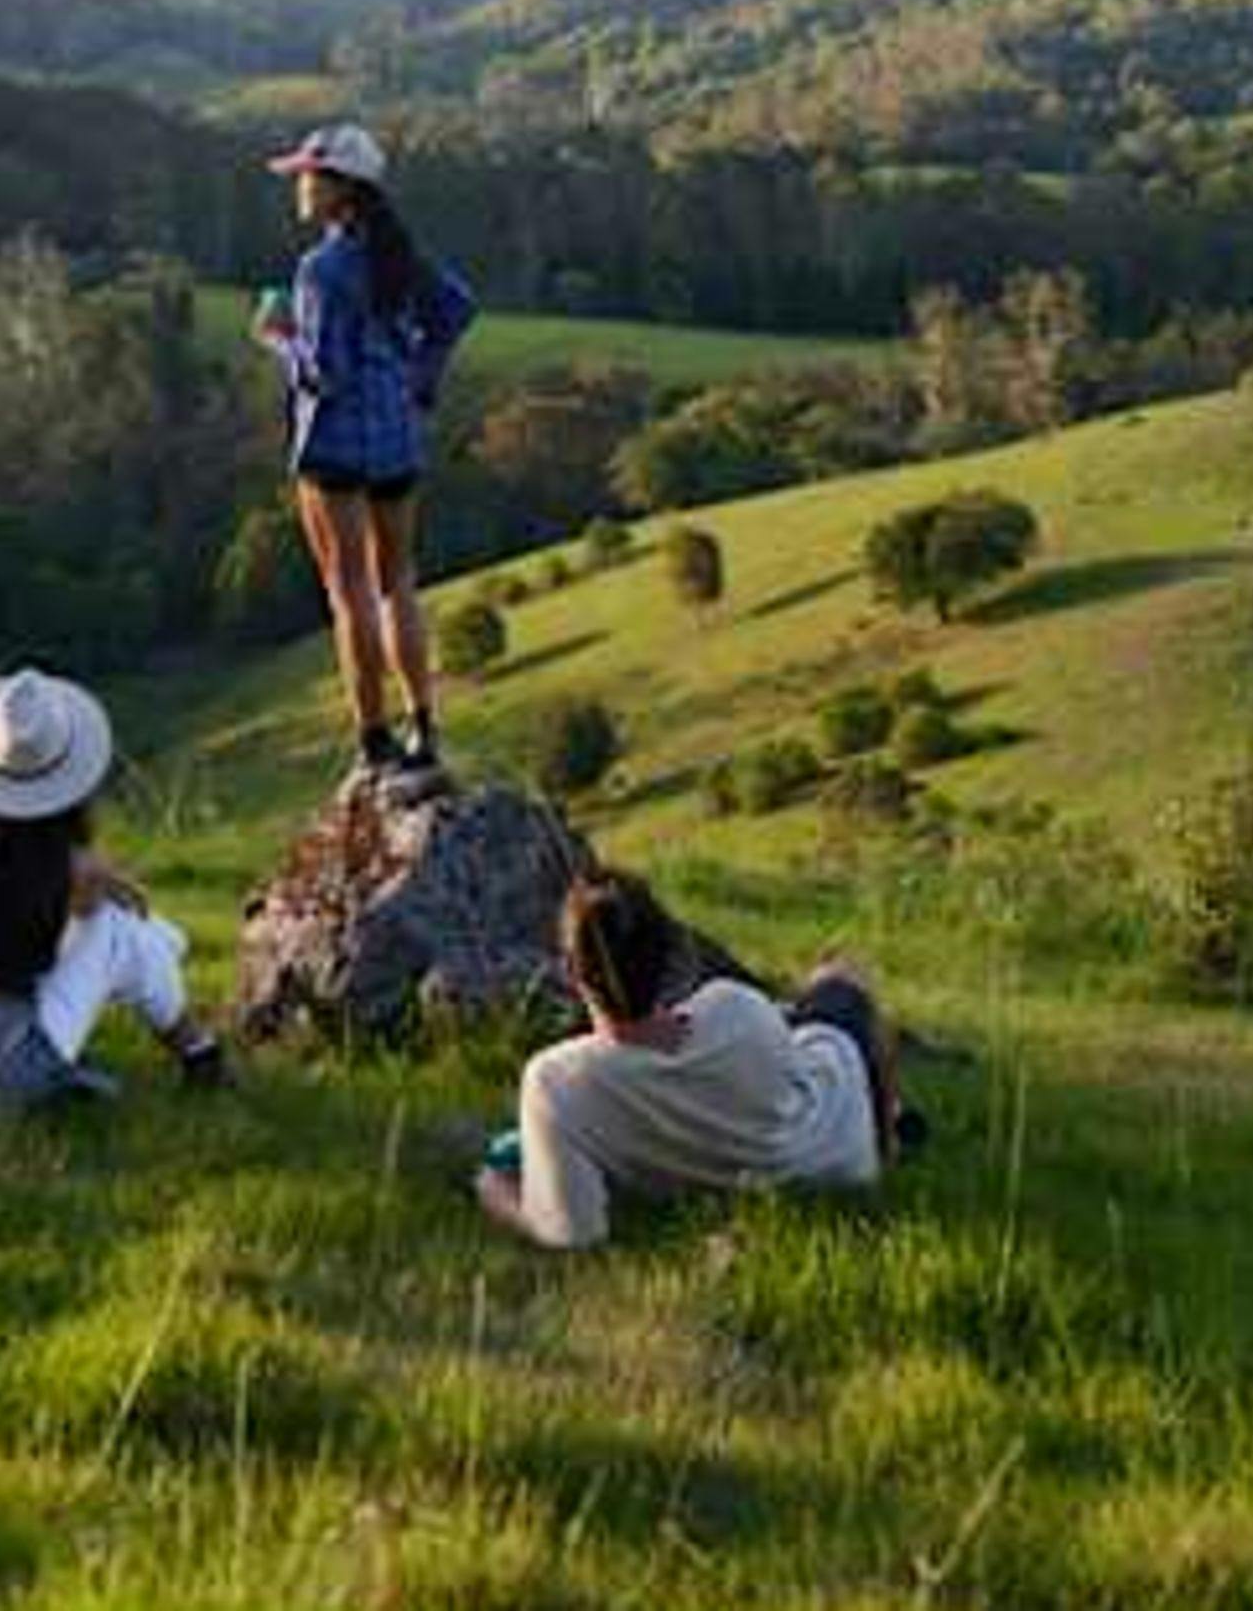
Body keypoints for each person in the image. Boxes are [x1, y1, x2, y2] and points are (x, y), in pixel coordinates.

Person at [0, 669, 229, 1115]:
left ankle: (186, 1013)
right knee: (119, 929)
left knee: (130, 934)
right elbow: (128, 905)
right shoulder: (61, 866)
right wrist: (154, 935)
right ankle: (200, 1053)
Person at [476, 871, 897, 1251]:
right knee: (841, 977)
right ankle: (886, 1140)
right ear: (670, 954)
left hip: (760, 1168)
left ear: (571, 972)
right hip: (839, 1151)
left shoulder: (557, 1083)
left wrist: (496, 1191)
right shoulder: (734, 1005)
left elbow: (571, 1234)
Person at [255, 123, 477, 793]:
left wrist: (276, 338)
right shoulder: (403, 256)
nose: (299, 184)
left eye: (308, 174)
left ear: (337, 188)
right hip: (397, 438)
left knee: (348, 593)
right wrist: (420, 377)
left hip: (334, 445)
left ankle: (373, 743)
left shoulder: (319, 270)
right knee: (397, 584)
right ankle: (423, 728)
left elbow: (323, 373)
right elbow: (457, 310)